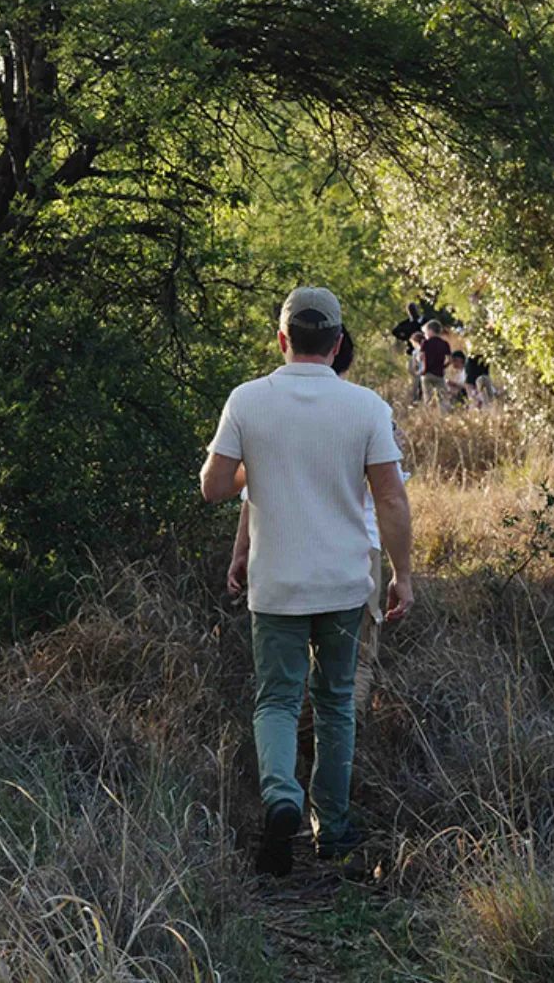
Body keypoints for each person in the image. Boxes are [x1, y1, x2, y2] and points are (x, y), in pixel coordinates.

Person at [202, 288, 415, 877]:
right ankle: (334, 830)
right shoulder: (366, 406)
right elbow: (391, 498)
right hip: (346, 583)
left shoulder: (247, 401)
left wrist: (259, 462)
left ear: (281, 339)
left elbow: (215, 488)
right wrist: (402, 575)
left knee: (275, 699)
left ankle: (281, 800)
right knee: (335, 704)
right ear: (339, 343)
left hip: (277, 584)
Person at [418, 321, 452, 408]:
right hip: (439, 374)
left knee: (428, 398)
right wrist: (443, 366)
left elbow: (421, 357)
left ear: (430, 331)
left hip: (427, 373)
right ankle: (443, 415)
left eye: (426, 332)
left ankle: (430, 415)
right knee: (442, 398)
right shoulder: (444, 344)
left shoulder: (425, 343)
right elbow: (450, 359)